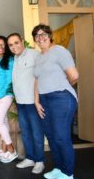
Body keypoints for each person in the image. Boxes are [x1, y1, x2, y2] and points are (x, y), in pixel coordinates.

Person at [33, 24, 79, 179]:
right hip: (44, 100)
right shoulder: (39, 57)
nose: (40, 38)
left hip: (61, 98)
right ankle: (59, 168)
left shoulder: (59, 51)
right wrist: (36, 101)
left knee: (60, 136)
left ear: (49, 35)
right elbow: (37, 80)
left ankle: (68, 173)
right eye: (37, 36)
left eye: (43, 34)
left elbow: (74, 76)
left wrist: (60, 87)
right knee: (51, 136)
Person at [7, 33, 45, 173]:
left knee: (36, 132)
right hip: (21, 102)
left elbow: (40, 76)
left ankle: (40, 161)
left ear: (22, 41)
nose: (14, 46)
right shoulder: (15, 58)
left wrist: (38, 99)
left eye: (16, 43)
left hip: (32, 102)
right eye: (11, 45)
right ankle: (30, 158)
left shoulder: (34, 54)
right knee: (26, 132)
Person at [0, 36, 18, 163]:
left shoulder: (10, 60)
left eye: (3, 45)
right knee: (4, 121)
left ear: (6, 46)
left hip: (6, 94)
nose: (0, 47)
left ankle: (11, 149)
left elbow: (8, 81)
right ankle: (4, 150)